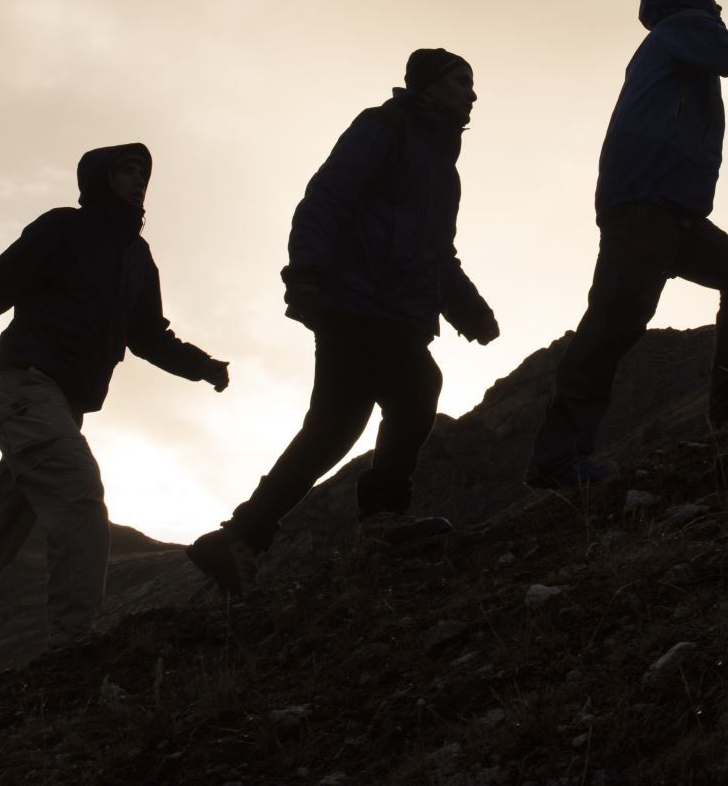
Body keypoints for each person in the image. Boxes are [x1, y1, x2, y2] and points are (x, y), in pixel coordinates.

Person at [0, 143, 229, 708]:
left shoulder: (137, 256)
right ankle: (73, 648)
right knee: (82, 501)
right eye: (126, 171)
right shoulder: (63, 229)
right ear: (98, 179)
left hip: (58, 408)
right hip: (26, 391)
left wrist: (201, 366)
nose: (138, 181)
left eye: (144, 173)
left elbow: (148, 335)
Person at [186, 50, 498, 596]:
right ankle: (380, 525)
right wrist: (304, 273)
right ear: (428, 86)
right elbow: (327, 197)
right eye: (461, 82)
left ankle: (241, 536)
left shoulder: (441, 165)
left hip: (390, 307)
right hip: (358, 301)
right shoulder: (383, 129)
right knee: (418, 386)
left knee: (332, 427)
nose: (472, 94)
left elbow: (436, 250)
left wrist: (466, 306)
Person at [525, 0, 728, 488]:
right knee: (617, 322)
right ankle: (558, 461)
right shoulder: (682, 29)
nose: (717, 10)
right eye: (710, 1)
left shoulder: (670, 45)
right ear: (690, 2)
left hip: (668, 209)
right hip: (650, 206)